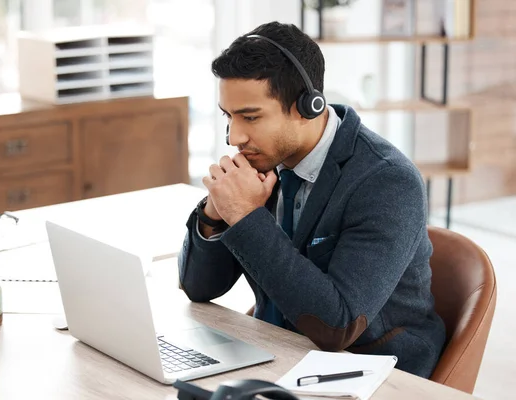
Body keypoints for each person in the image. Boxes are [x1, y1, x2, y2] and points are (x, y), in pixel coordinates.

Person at [177, 21, 446, 378]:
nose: (234, 136)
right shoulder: (263, 161)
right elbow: (199, 288)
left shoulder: (386, 181)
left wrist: (244, 215)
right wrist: (216, 212)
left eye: (251, 117)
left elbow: (337, 325)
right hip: (277, 351)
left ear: (308, 106)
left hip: (372, 371)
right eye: (229, 115)